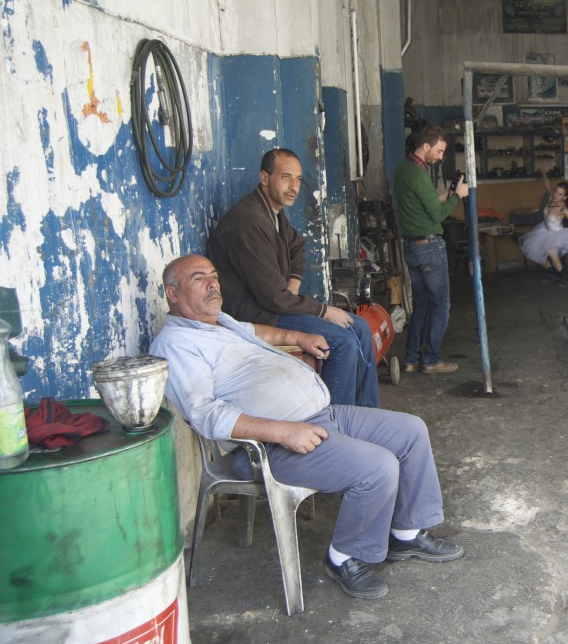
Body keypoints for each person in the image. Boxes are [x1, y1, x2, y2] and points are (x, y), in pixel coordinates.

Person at [150, 255, 463, 600]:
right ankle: (344, 558)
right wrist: (283, 432)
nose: (213, 284)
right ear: (173, 294)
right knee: (378, 467)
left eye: (214, 275)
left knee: (411, 431)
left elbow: (259, 332)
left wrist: (298, 337)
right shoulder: (175, 344)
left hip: (320, 416)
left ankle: (406, 534)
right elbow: (207, 416)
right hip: (266, 448)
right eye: (199, 278)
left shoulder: (221, 322)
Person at [208, 148, 379, 408]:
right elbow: (273, 298)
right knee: (342, 342)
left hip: (275, 304)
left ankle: (366, 415)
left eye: (298, 179)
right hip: (255, 314)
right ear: (265, 178)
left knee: (361, 327)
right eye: (286, 177)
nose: (294, 187)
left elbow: (296, 247)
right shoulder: (248, 221)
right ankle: (336, 423)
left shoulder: (273, 212)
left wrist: (294, 281)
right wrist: (324, 311)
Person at [393, 126, 468, 374]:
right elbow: (437, 215)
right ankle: (432, 360)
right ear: (426, 146)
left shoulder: (403, 169)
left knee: (422, 304)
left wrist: (448, 194)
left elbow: (425, 203)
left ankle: (411, 359)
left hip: (411, 247)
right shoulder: (419, 174)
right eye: (439, 151)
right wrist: (458, 197)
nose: (440, 157)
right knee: (441, 305)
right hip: (429, 248)